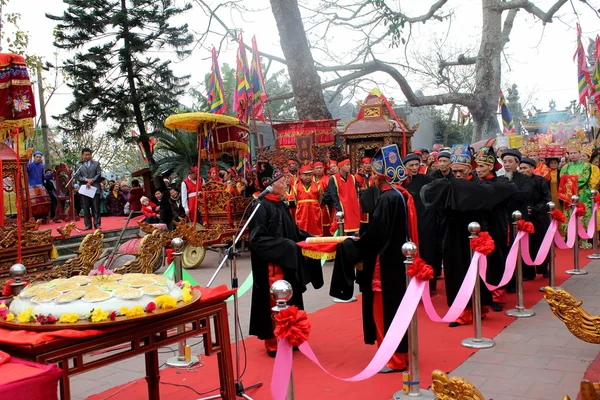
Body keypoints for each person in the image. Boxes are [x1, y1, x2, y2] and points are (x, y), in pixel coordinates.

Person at [331, 144, 416, 372]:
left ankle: (393, 358)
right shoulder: (403, 195)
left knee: (383, 310)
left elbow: (377, 234)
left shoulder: (388, 198)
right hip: (399, 261)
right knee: (398, 309)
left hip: (384, 264)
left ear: (380, 177)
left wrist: (354, 244)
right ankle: (403, 354)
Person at [421, 144, 514, 327]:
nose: (457, 174)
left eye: (460, 171)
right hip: (453, 235)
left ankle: (479, 308)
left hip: (474, 236)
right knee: (455, 272)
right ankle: (463, 311)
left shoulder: (479, 186)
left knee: (476, 272)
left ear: (469, 168)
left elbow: (501, 193)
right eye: (454, 171)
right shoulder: (446, 184)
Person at [248, 162, 323, 357]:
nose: (286, 183)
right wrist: (287, 246)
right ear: (270, 184)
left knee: (293, 298)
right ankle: (275, 342)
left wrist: (312, 240)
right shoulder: (260, 206)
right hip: (273, 267)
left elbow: (293, 232)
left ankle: (292, 336)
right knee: (276, 301)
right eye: (282, 180)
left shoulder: (280, 204)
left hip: (287, 262)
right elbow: (257, 240)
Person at [474, 146, 513, 311]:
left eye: (482, 166)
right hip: (478, 227)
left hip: (496, 225)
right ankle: (482, 295)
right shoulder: (474, 183)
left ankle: (497, 296)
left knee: (496, 260)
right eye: (477, 166)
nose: (479, 170)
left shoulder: (501, 182)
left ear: (491, 166)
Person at [402, 152, 439, 291]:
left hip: (425, 220)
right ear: (405, 166)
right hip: (408, 221)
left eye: (417, 164)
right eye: (411, 165)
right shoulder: (402, 181)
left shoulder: (427, 179)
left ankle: (429, 283)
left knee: (427, 250)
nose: (414, 167)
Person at [520, 157, 551, 278]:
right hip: (524, 218)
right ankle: (528, 272)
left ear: (532, 168)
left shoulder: (540, 180)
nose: (522, 170)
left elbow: (546, 199)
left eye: (525, 168)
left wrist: (534, 209)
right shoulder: (517, 182)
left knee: (541, 242)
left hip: (539, 217)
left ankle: (543, 268)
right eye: (520, 168)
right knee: (527, 244)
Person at [560, 137, 593, 248]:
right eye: (570, 153)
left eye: (575, 153)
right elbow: (562, 179)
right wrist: (572, 180)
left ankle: (584, 241)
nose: (572, 155)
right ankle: (571, 240)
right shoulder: (565, 167)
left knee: (584, 217)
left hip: (582, 195)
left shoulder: (586, 166)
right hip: (569, 196)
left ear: (580, 153)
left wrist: (570, 180)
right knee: (569, 218)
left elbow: (583, 179)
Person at [328, 155, 361, 236]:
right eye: (347, 165)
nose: (349, 166)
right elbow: (334, 196)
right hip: (342, 209)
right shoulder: (333, 179)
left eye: (349, 165)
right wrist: (340, 210)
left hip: (353, 209)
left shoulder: (353, 178)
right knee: (343, 232)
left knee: (354, 232)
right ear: (341, 166)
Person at [75, 147, 102, 230]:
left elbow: (99, 174)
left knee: (96, 207)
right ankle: (88, 225)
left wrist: (92, 180)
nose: (88, 156)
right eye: (86, 155)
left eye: (89, 154)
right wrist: (86, 180)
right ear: (82, 155)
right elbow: (77, 176)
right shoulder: (79, 165)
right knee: (86, 208)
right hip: (84, 188)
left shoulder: (96, 164)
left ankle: (97, 224)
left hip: (95, 187)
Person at [294, 164, 322, 236]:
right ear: (301, 176)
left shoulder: (318, 186)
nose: (308, 177)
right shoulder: (296, 187)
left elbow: (320, 201)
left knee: (315, 231)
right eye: (305, 175)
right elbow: (295, 202)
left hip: (314, 213)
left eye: (309, 175)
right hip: (302, 213)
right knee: (302, 231)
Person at [314, 161, 332, 235]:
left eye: (320, 168)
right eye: (317, 168)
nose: (319, 170)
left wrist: (319, 201)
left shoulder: (328, 179)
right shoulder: (310, 180)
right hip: (313, 207)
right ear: (314, 170)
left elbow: (329, 194)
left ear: (323, 168)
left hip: (325, 206)